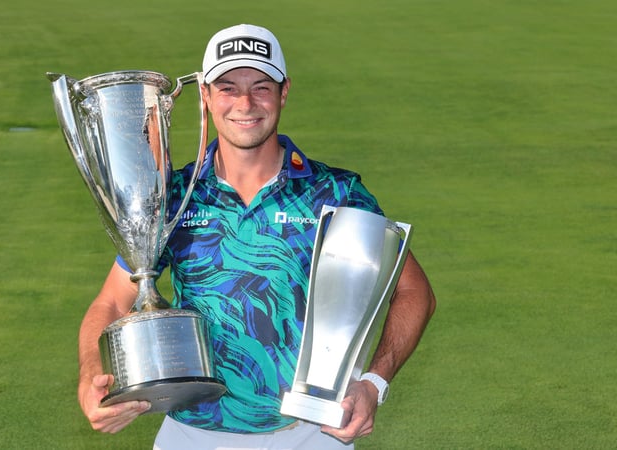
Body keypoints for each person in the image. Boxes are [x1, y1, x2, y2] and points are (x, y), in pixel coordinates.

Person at [77, 24, 436, 449]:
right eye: (228, 88)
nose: (245, 104)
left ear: (283, 93)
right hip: (191, 435)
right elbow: (113, 300)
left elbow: (414, 291)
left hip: (310, 435)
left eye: (261, 87)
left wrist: (374, 383)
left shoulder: (334, 192)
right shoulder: (172, 194)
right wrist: (90, 378)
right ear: (206, 98)